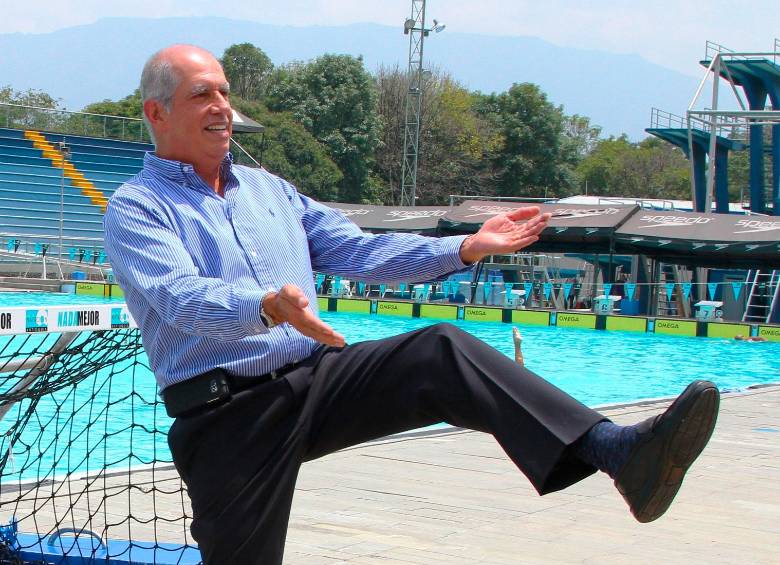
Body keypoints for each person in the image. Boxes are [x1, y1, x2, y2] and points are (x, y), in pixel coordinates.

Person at [103, 44, 720, 565]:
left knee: (439, 351)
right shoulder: (138, 206)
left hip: (315, 380)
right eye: (202, 95)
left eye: (225, 93)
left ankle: (619, 453)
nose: (223, 108)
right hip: (227, 414)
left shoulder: (271, 192)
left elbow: (358, 251)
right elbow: (176, 296)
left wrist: (467, 249)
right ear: (157, 113)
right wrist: (263, 304)